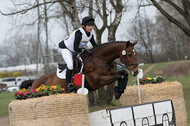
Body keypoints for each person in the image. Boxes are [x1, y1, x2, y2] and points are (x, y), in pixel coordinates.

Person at [58, 16, 97, 93]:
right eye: (89, 26)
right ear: (84, 26)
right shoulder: (79, 34)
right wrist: (86, 51)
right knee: (70, 65)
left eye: (92, 25)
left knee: (82, 64)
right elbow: (76, 48)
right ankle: (68, 85)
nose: (90, 27)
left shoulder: (91, 35)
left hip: (75, 50)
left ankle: (78, 84)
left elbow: (95, 46)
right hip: (66, 48)